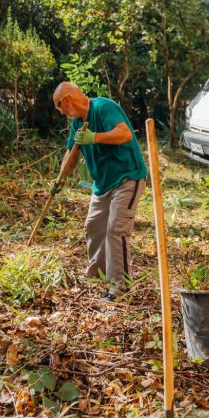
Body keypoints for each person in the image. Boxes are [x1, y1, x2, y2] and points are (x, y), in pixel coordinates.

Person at [52, 82, 148, 301]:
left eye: (60, 107)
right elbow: (72, 154)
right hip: (103, 184)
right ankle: (98, 276)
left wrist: (94, 137)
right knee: (94, 227)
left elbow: (124, 134)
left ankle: (120, 288)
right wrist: (59, 179)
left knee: (116, 229)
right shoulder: (77, 124)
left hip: (127, 178)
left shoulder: (104, 107)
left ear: (66, 100)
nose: (62, 113)